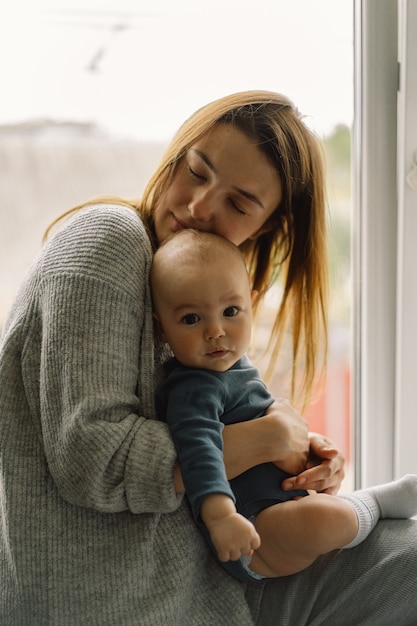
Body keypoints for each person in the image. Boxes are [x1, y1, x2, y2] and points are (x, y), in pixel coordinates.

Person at [0, 90, 416, 625]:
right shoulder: (110, 239)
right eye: (196, 172)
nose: (199, 207)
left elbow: (204, 411)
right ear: (176, 156)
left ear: (264, 227)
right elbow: (92, 455)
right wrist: (262, 440)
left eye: (238, 204)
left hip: (211, 577)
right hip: (119, 602)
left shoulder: (200, 289)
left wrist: (296, 451)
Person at [152, 227, 417, 581]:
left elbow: (258, 417)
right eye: (191, 319)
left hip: (278, 504)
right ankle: (374, 504)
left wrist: (303, 442)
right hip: (253, 532)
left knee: (322, 515)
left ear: (252, 301)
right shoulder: (193, 387)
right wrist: (221, 518)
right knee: (325, 520)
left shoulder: (236, 365)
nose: (215, 330)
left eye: (230, 310)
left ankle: (359, 506)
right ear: (161, 328)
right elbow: (199, 452)